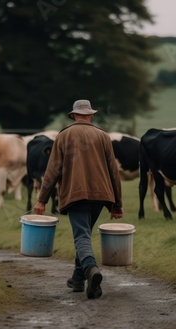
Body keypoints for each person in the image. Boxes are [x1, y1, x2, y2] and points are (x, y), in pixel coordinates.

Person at [33, 99, 124, 299]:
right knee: (85, 234)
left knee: (81, 236)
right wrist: (116, 205)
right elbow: (113, 172)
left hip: (76, 194)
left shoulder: (64, 135)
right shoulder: (103, 136)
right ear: (90, 115)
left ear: (74, 115)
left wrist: (42, 200)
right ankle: (77, 279)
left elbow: (53, 170)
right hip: (102, 196)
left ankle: (92, 270)